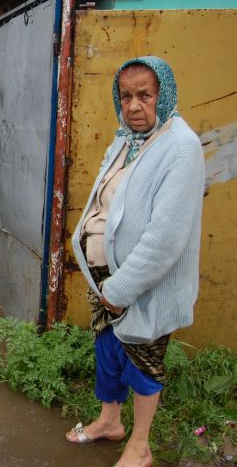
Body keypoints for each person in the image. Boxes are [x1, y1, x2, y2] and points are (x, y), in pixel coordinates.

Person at [67, 56, 205, 467]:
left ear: (164, 94)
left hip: (141, 284)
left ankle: (140, 447)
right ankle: (110, 422)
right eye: (125, 96)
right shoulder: (126, 139)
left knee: (144, 359)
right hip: (106, 281)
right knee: (108, 350)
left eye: (144, 95)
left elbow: (165, 238)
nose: (133, 105)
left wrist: (120, 291)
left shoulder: (180, 147)